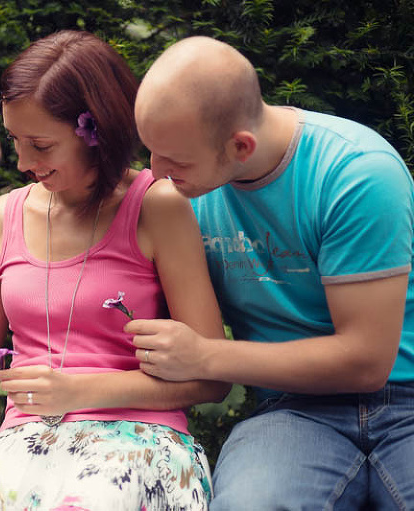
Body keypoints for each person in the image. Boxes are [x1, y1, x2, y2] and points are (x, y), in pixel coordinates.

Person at [0, 30, 230, 510]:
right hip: (23, 444)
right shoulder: (1, 218)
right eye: (14, 140)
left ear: (95, 132)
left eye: (40, 145)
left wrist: (82, 389)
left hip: (137, 443)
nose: (22, 162)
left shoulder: (157, 207)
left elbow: (213, 376)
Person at [132, 35, 414, 509]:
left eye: (176, 161)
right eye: (151, 152)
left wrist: (205, 357)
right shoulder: (177, 197)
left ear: (241, 146)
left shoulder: (357, 173)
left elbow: (367, 361)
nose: (156, 174)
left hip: (406, 399)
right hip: (292, 410)